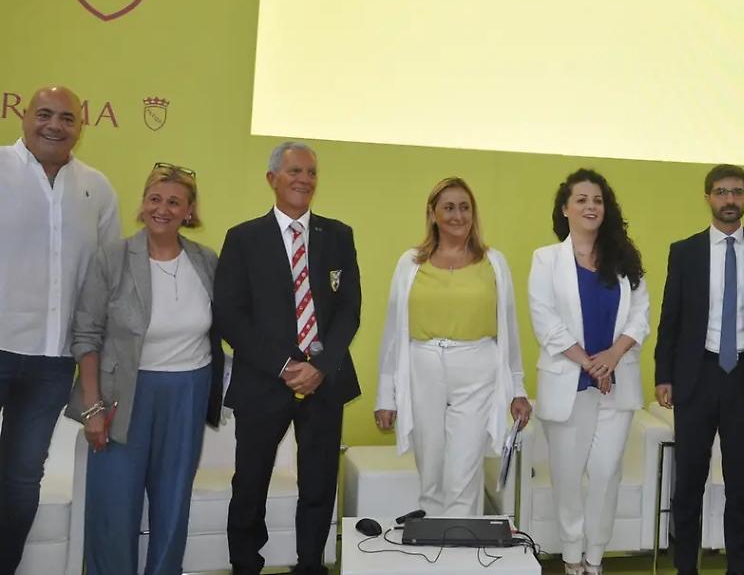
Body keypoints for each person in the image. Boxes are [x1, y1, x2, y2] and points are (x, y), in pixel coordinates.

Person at [66, 163, 223, 575]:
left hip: (188, 393)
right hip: (124, 396)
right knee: (115, 505)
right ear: (142, 204)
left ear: (189, 211)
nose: (163, 209)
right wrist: (92, 406)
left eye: (175, 202)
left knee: (173, 505)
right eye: (155, 199)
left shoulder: (206, 262)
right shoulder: (113, 258)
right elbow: (86, 333)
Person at [213, 141, 361, 575]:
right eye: (295, 171)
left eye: (312, 172)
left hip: (324, 381)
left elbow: (349, 309)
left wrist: (320, 365)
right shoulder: (243, 238)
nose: (304, 180)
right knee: (250, 484)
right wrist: (283, 365)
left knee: (318, 484)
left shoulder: (338, 235)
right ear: (272, 179)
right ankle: (245, 564)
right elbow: (229, 314)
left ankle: (311, 564)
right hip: (263, 381)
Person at [0, 85, 120, 575]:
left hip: (53, 362)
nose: (54, 125)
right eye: (44, 114)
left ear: (80, 126)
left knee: (23, 478)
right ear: (24, 116)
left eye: (66, 118)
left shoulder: (97, 188)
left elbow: (107, 281)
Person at [653, 164, 744, 575]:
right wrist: (664, 374)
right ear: (708, 197)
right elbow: (670, 316)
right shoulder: (686, 251)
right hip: (697, 377)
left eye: (737, 192)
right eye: (721, 192)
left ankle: (738, 568)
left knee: (739, 484)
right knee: (689, 484)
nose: (730, 199)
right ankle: (685, 568)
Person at [374, 176, 531, 515]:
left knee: (463, 472)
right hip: (422, 370)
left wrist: (518, 389)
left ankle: (460, 552)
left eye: (465, 207)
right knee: (430, 472)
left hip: (478, 372)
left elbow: (510, 333)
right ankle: (434, 550)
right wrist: (385, 395)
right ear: (432, 214)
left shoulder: (494, 263)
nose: (458, 215)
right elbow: (391, 334)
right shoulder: (410, 264)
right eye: (449, 208)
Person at [530, 169, 649, 575]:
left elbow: (640, 317)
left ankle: (595, 559)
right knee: (567, 478)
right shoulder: (546, 259)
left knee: (605, 474)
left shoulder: (626, 257)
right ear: (565, 209)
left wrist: (612, 357)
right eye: (581, 200)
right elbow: (545, 321)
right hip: (570, 384)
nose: (590, 206)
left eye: (597, 200)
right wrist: (589, 362)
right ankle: (570, 557)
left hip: (617, 385)